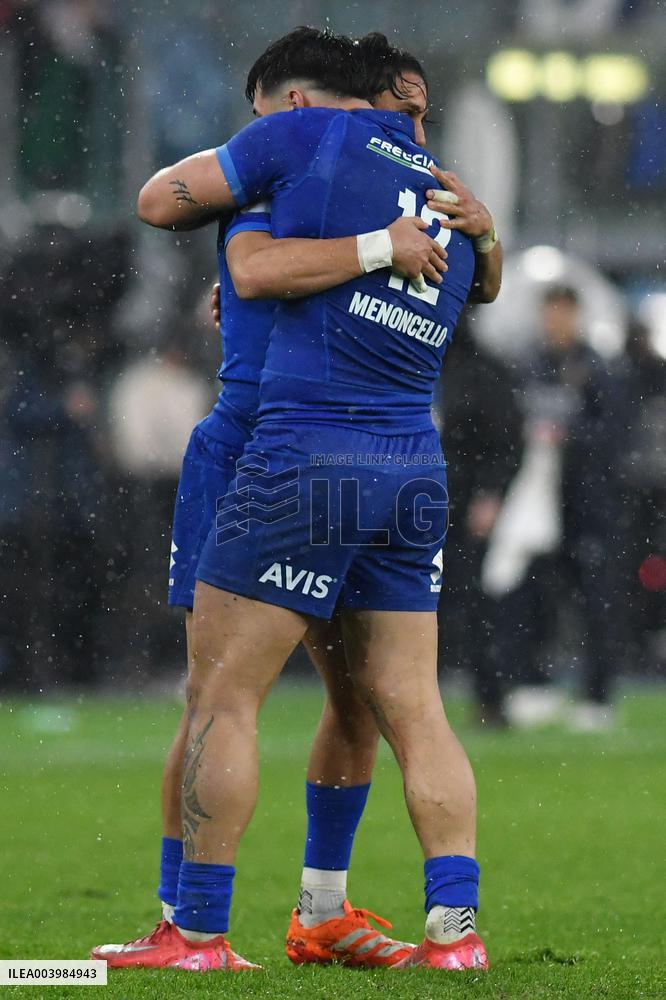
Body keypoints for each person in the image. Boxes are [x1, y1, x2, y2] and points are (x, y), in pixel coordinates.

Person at [98, 27, 500, 973]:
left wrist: (330, 251)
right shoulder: (445, 194)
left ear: (288, 101)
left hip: (278, 447)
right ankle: (433, 925)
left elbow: (198, 230)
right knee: (391, 702)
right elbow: (478, 287)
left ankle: (191, 926)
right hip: (408, 461)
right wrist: (478, 235)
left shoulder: (297, 151)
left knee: (218, 697)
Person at [482, 284, 627, 730]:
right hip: (539, 505)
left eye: (562, 313)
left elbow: (616, 437)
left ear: (576, 315)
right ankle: (535, 683)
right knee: (536, 596)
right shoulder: (530, 366)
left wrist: (570, 437)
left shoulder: (596, 368)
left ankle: (598, 695)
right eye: (550, 313)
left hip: (586, 504)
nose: (555, 322)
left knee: (595, 598)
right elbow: (509, 431)